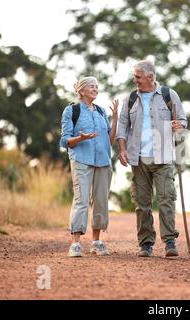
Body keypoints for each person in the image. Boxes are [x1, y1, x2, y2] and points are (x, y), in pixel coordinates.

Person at [116, 60, 187, 258]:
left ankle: (170, 241)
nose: (134, 80)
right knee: (142, 203)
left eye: (138, 76)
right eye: (135, 76)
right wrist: (122, 149)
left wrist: (178, 125)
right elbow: (122, 126)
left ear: (150, 77)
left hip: (163, 157)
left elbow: (183, 119)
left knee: (166, 199)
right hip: (138, 158)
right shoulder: (130, 98)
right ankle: (146, 243)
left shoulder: (168, 95)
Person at [60, 76, 118, 257]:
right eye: (92, 86)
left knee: (101, 201)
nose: (96, 89)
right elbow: (65, 140)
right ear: (82, 90)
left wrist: (115, 119)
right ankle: (75, 243)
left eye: (97, 86)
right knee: (81, 200)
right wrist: (81, 138)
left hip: (103, 161)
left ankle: (96, 242)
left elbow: (109, 140)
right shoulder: (72, 110)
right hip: (81, 160)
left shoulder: (101, 112)